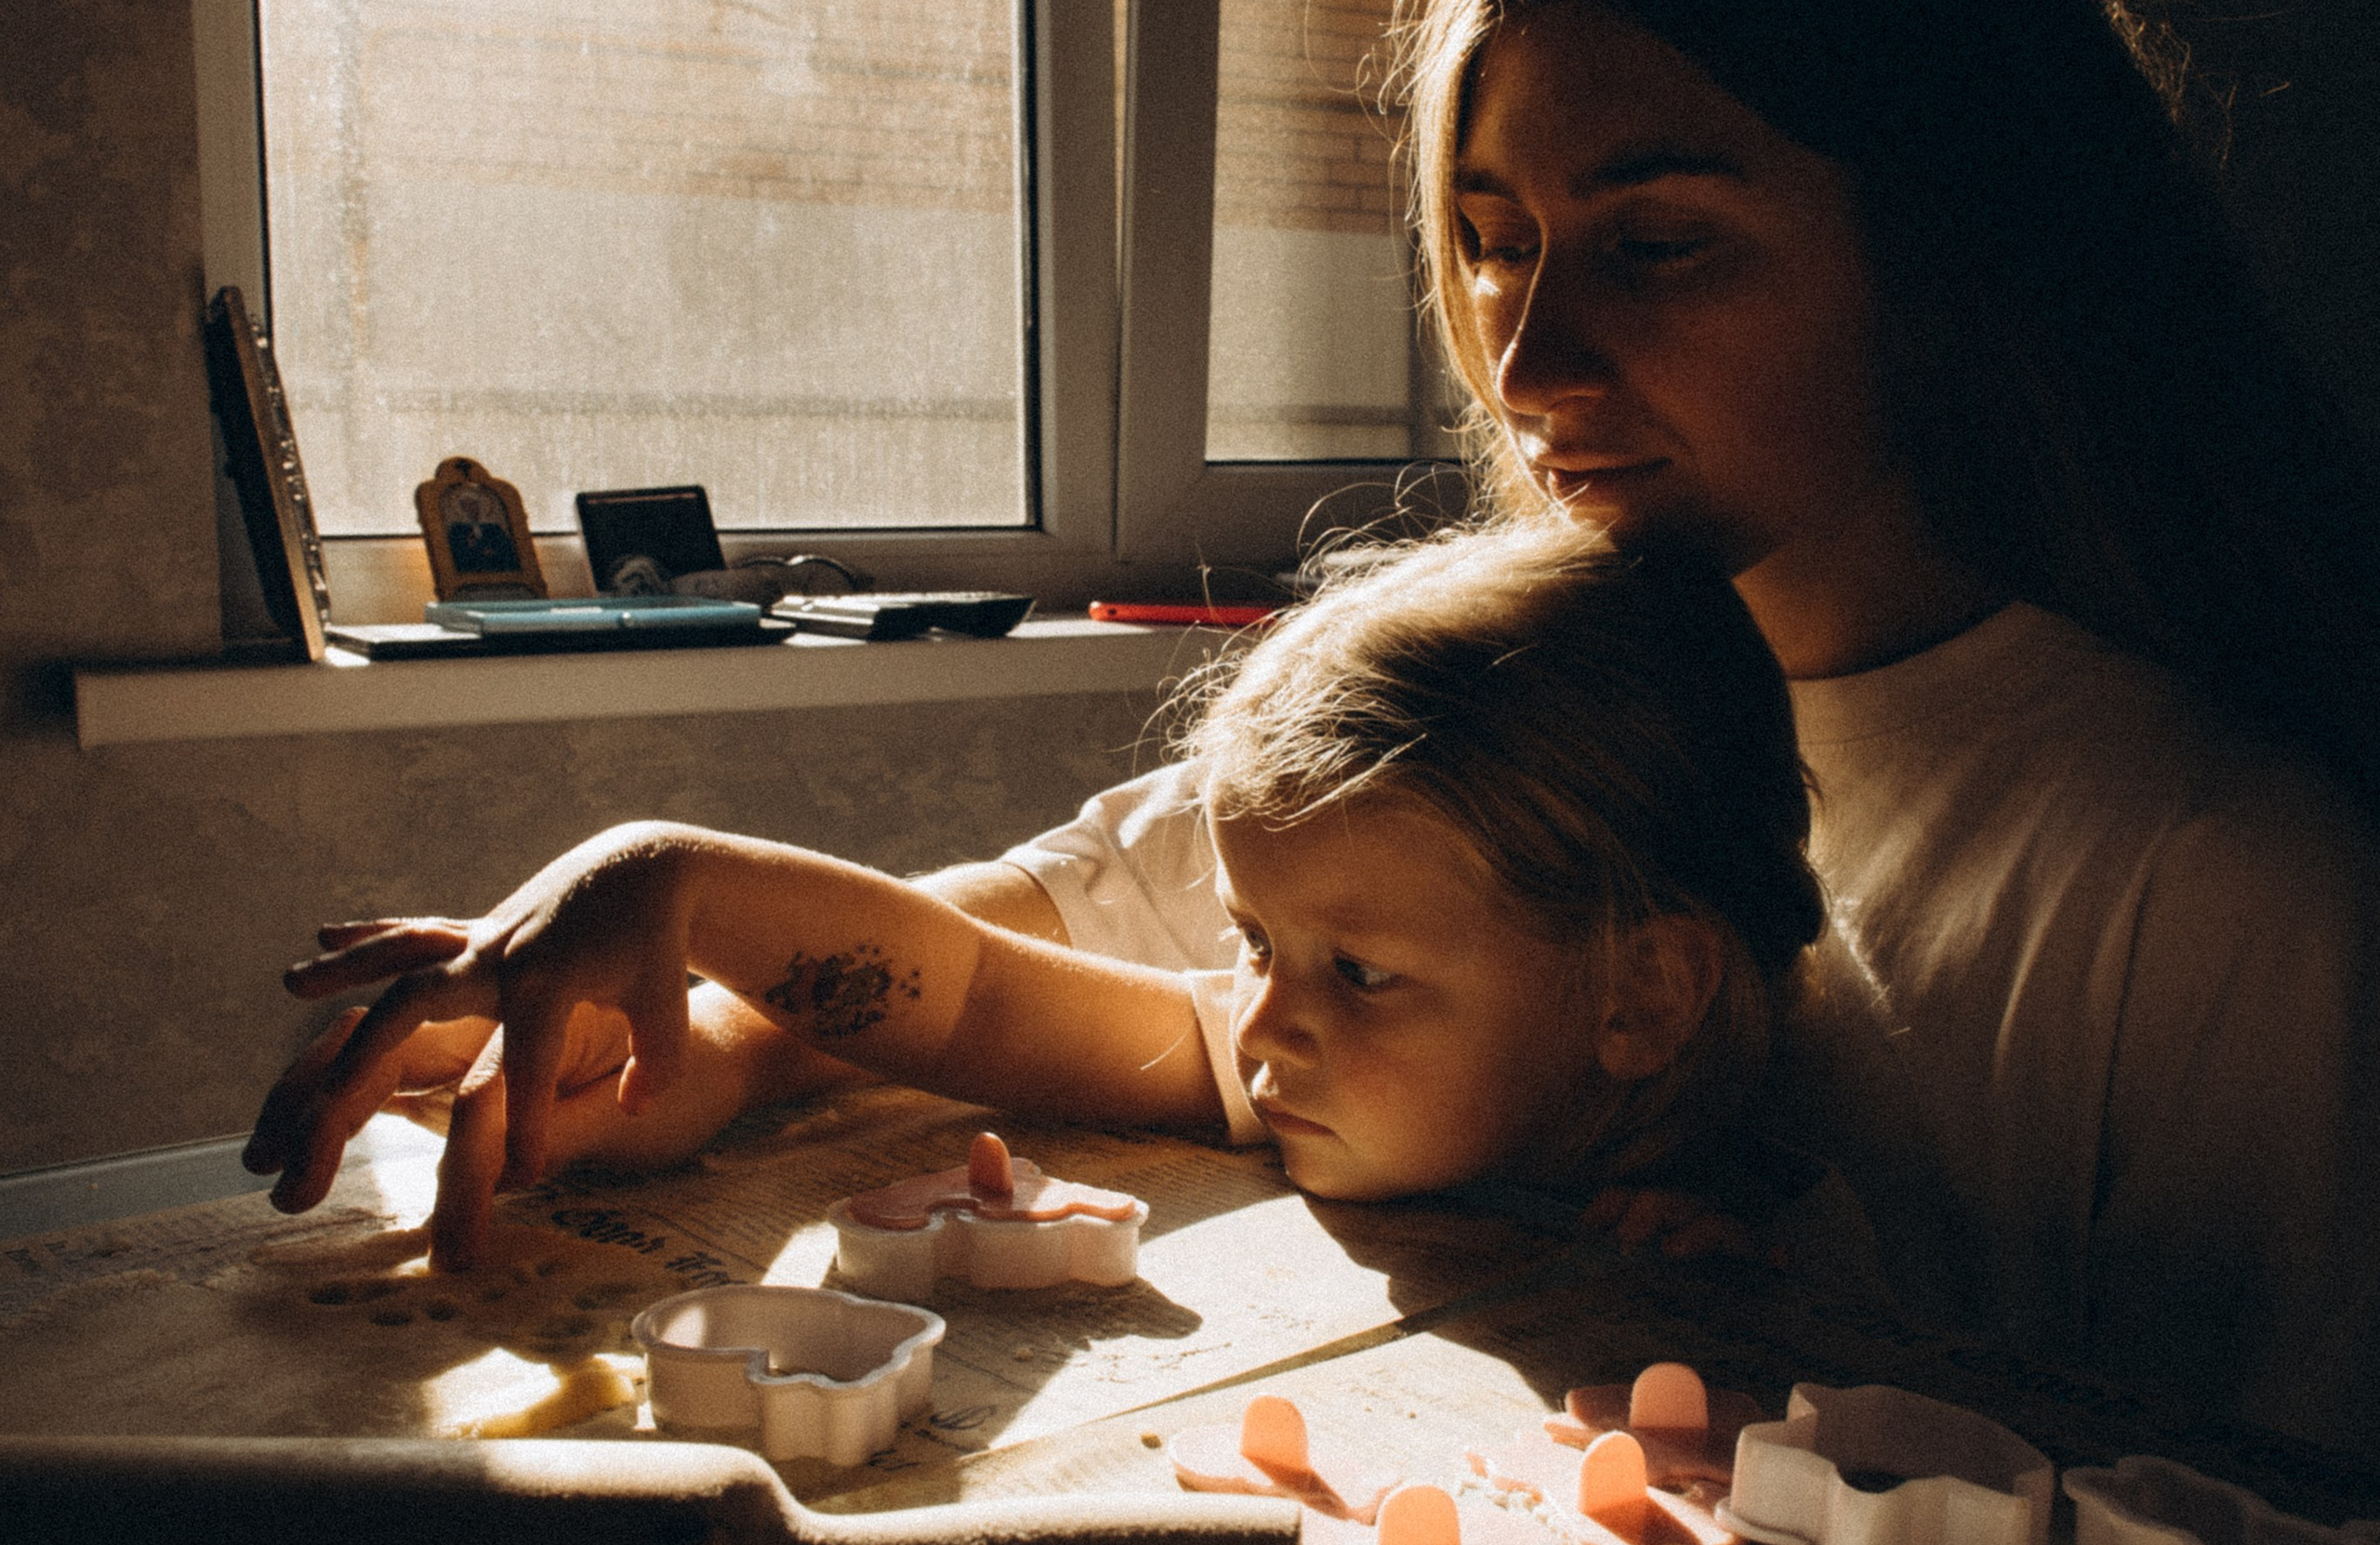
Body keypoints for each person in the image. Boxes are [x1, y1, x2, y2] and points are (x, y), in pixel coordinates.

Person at [947, 0, 2380, 1456]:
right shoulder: (1512, 716)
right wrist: (703, 992)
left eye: (1657, 245)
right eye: (1490, 243)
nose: (1528, 365)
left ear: (1947, 245)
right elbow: (1031, 924)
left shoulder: (2222, 896)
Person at [245, 523, 1827, 1251]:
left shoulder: (1809, 1225)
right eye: (1256, 942)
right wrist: (663, 884)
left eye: (1356, 971)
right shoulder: (1339, 1065)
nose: (1264, 1023)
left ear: (1639, 997)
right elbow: (978, 987)